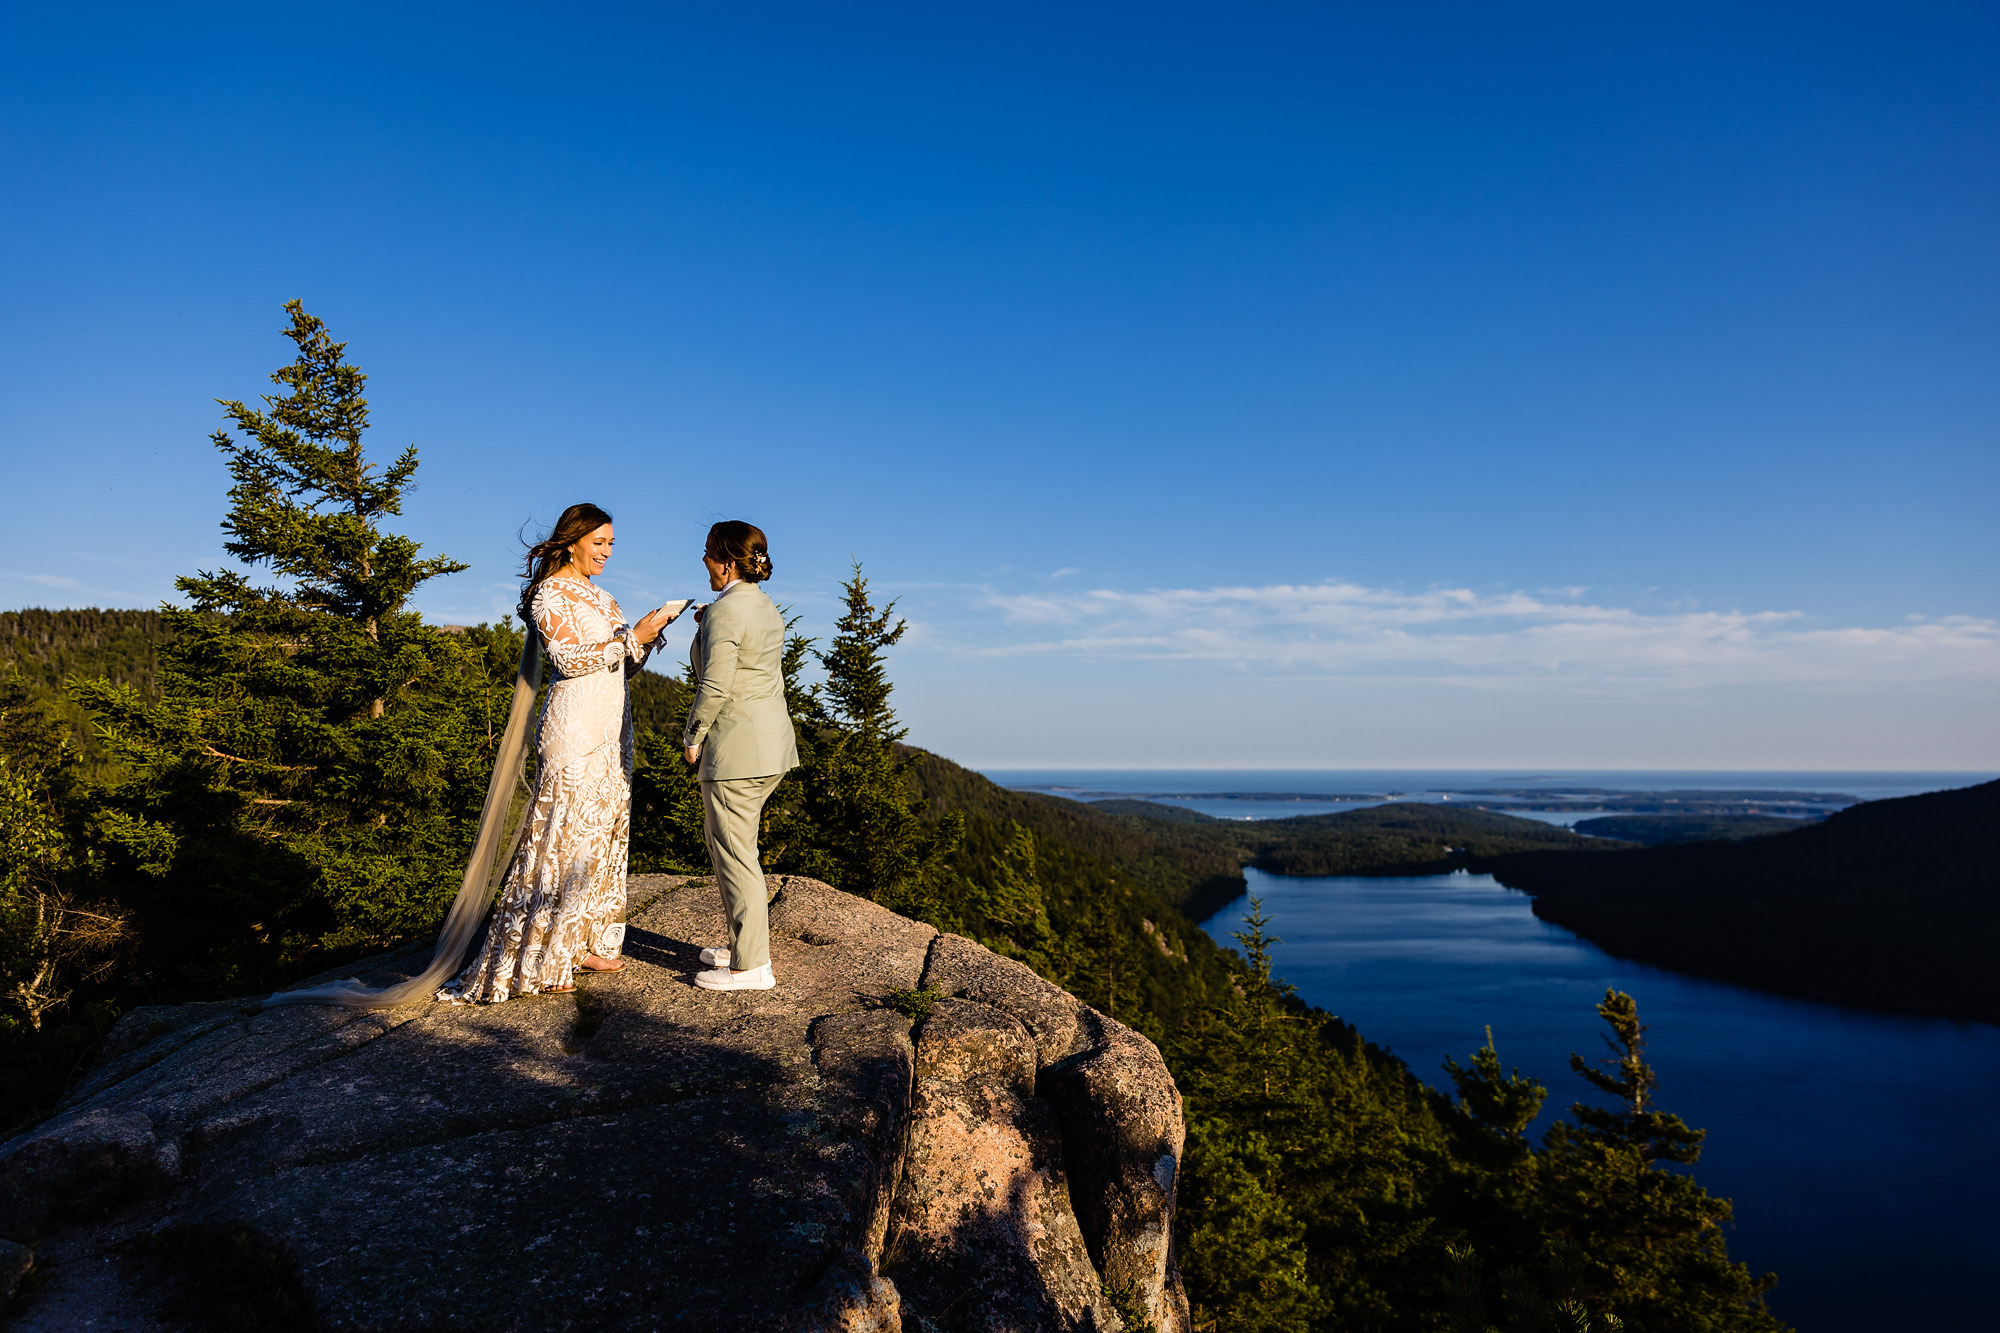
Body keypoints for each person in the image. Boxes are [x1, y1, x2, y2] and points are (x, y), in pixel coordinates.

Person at [439, 503, 682, 1002]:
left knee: (602, 837)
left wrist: (645, 641)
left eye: (612, 544)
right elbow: (568, 660)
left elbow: (619, 669)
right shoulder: (549, 593)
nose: (607, 552)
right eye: (599, 543)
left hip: (614, 729)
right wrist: (629, 638)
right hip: (573, 727)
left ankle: (583, 940)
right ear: (572, 541)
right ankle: (541, 954)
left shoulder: (606, 598)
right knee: (562, 839)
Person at [684, 521, 800, 992]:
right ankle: (744, 943)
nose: (703, 561)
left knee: (735, 854)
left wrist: (693, 736)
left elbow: (715, 685)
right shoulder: (759, 605)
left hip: (736, 750)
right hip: (771, 745)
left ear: (727, 561)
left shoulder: (726, 613)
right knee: (733, 848)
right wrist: (707, 626)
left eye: (708, 554)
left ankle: (752, 966)